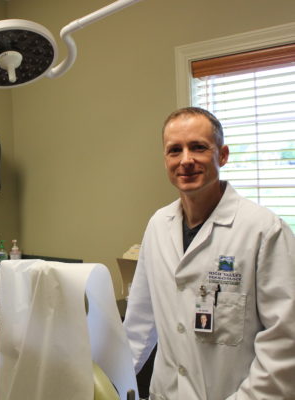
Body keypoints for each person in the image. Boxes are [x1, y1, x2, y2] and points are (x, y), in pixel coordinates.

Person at [123, 107, 295, 399]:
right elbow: (140, 323)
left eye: (198, 147)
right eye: (175, 150)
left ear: (223, 155)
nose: (185, 160)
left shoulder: (264, 230)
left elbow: (285, 341)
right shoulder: (158, 225)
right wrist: (115, 381)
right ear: (165, 160)